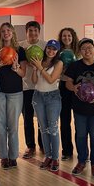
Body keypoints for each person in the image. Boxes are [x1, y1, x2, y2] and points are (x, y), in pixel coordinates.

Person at [65, 38, 94, 179]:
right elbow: (68, 82)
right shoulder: (75, 66)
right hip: (79, 108)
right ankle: (81, 161)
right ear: (80, 51)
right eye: (84, 48)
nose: (87, 50)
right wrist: (73, 87)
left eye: (89, 47)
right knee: (80, 135)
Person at [0, 22, 27, 169]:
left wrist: (16, 68)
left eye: (8, 30)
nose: (6, 33)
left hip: (15, 92)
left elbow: (23, 73)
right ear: (0, 33)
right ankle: (3, 157)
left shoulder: (20, 50)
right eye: (3, 30)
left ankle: (13, 156)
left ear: (12, 33)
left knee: (13, 126)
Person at [30, 39, 63, 171]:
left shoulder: (59, 63)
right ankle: (48, 156)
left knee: (53, 128)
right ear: (46, 48)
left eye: (54, 49)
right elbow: (34, 81)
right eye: (49, 48)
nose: (51, 51)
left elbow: (51, 80)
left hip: (52, 97)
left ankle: (55, 158)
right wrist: (34, 70)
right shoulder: (40, 60)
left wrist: (40, 68)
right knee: (43, 128)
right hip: (38, 96)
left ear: (57, 51)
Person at [19, 21, 45, 158]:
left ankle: (43, 144)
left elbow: (49, 63)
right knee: (27, 118)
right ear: (26, 32)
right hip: (25, 87)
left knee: (41, 118)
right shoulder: (20, 46)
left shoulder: (45, 46)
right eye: (30, 31)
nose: (33, 33)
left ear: (39, 32)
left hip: (41, 87)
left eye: (36, 31)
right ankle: (30, 146)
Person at [57, 27, 79, 161]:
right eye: (64, 36)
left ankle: (82, 151)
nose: (66, 38)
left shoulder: (79, 51)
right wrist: (62, 75)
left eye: (69, 36)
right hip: (63, 88)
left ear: (73, 37)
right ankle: (67, 150)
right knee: (65, 121)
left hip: (77, 89)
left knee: (79, 123)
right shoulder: (58, 53)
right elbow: (54, 70)